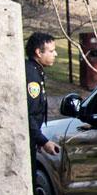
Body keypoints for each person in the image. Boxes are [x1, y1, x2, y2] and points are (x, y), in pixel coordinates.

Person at [26, 32, 60, 171]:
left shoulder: (35, 71)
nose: (56, 54)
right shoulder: (32, 75)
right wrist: (43, 141)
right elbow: (28, 115)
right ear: (38, 52)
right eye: (51, 51)